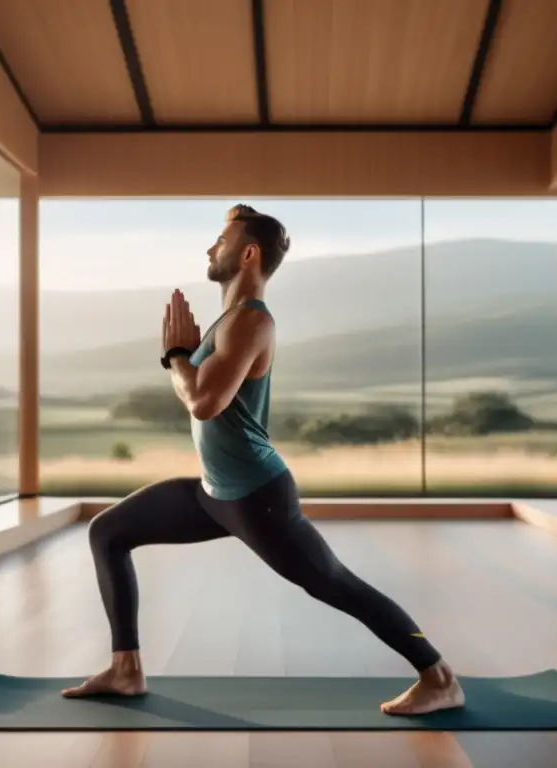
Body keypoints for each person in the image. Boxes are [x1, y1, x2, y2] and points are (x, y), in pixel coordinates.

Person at [62, 204, 465, 716]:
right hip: (212, 493)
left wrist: (177, 358)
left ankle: (440, 677)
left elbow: (205, 403)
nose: (211, 248)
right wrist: (185, 356)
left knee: (335, 583)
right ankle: (125, 670)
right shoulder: (228, 319)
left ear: (248, 253)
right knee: (108, 532)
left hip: (257, 498)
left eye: (221, 240)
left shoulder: (252, 322)